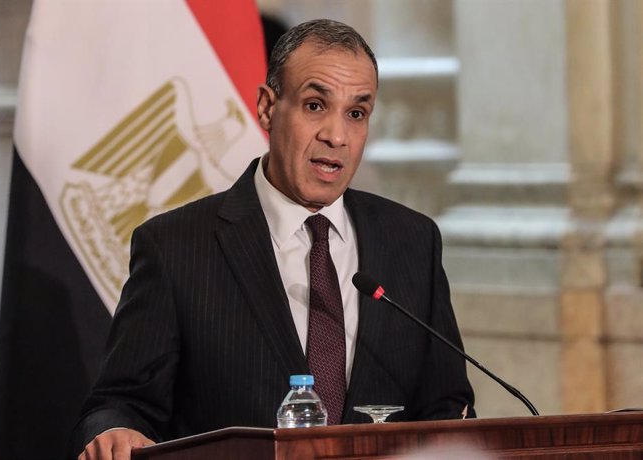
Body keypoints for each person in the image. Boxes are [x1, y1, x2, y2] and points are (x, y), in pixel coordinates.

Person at [72, 18, 475, 460]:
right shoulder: (175, 247)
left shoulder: (413, 242)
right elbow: (119, 404)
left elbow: (448, 407)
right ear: (267, 107)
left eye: (356, 113)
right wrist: (117, 430)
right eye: (315, 105)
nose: (337, 136)